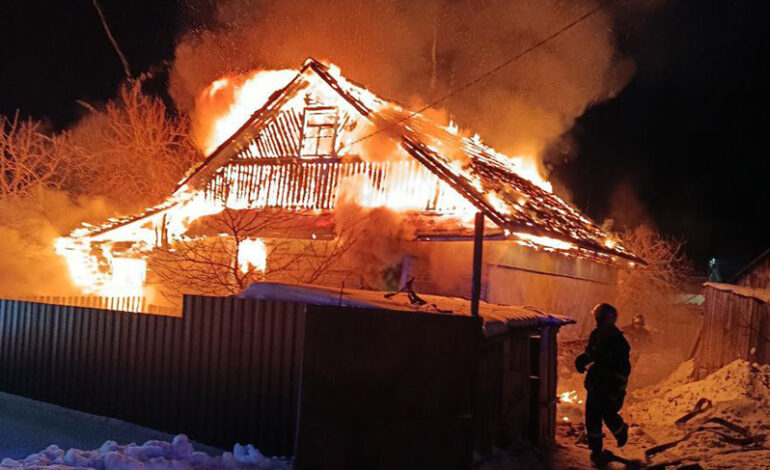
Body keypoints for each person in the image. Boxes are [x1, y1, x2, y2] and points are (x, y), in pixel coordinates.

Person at [575, 303, 631, 467]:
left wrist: (618, 386)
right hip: (596, 383)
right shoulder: (596, 334)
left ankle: (621, 431)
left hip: (610, 384)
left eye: (601, 317)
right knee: (592, 417)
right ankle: (596, 450)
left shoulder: (618, 340)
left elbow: (624, 367)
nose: (598, 320)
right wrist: (582, 360)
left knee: (608, 414)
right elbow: (593, 353)